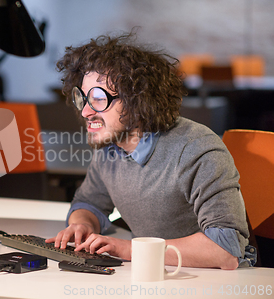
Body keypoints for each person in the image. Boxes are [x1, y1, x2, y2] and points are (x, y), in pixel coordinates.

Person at [46, 32, 256, 270]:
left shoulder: (196, 148)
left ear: (138, 100)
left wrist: (128, 249)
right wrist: (82, 224)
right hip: (154, 276)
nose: (85, 112)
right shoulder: (110, 148)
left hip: (211, 283)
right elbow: (89, 203)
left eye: (98, 99)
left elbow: (225, 250)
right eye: (83, 99)